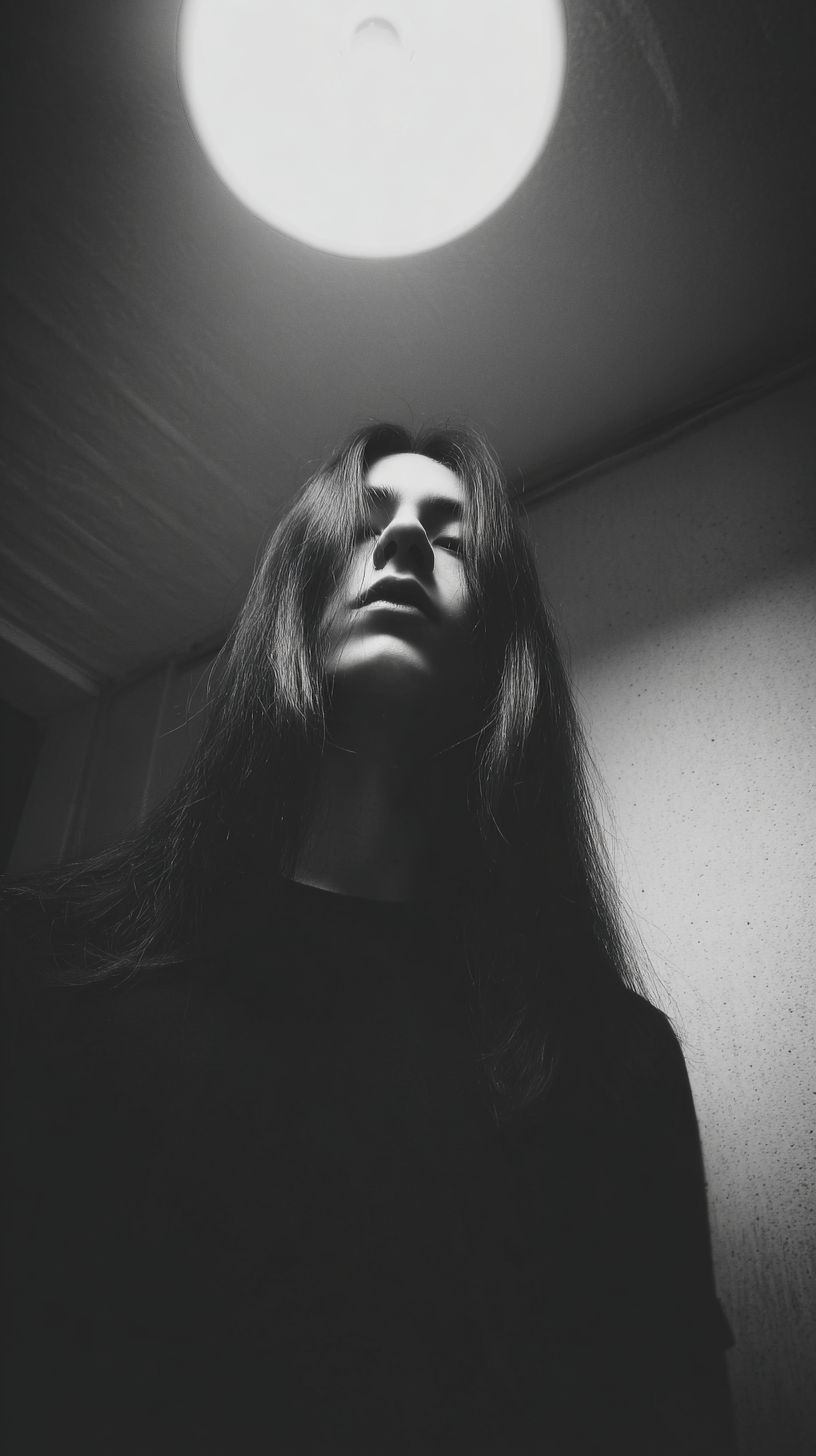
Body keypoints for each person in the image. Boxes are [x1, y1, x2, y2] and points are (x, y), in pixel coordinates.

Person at [1, 422, 738, 1454]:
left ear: (500, 639)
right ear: (296, 592)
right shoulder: (52, 962)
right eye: (365, 522)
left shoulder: (610, 1057)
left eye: (450, 537)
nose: (400, 543)